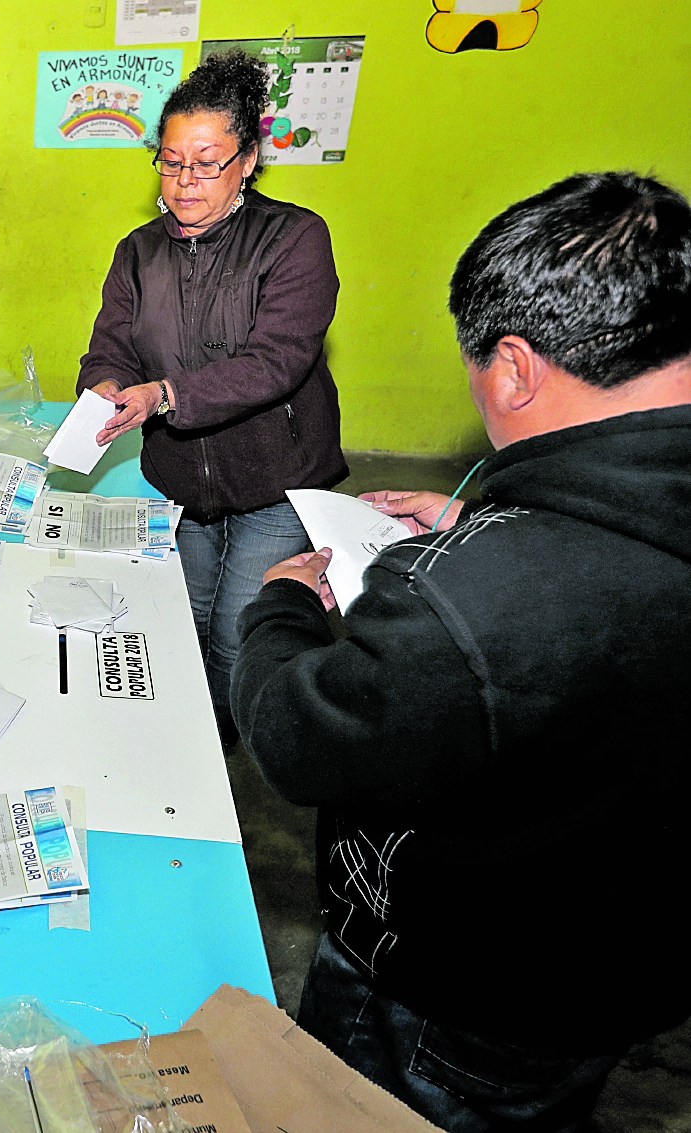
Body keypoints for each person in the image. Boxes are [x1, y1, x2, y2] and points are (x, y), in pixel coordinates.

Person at [232, 172, 691, 1130]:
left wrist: (279, 606)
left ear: (515, 366)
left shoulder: (472, 597)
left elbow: (300, 732)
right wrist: (479, 520)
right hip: (617, 972)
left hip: (449, 998)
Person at [76, 48, 346, 737]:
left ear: (247, 161)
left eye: (207, 162)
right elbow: (112, 342)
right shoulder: (137, 250)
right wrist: (104, 386)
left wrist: (163, 394)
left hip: (274, 475)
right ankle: (188, 739)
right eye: (170, 161)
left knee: (238, 632)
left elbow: (275, 361)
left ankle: (227, 759)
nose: (185, 180)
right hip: (179, 477)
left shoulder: (293, 238)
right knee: (185, 617)